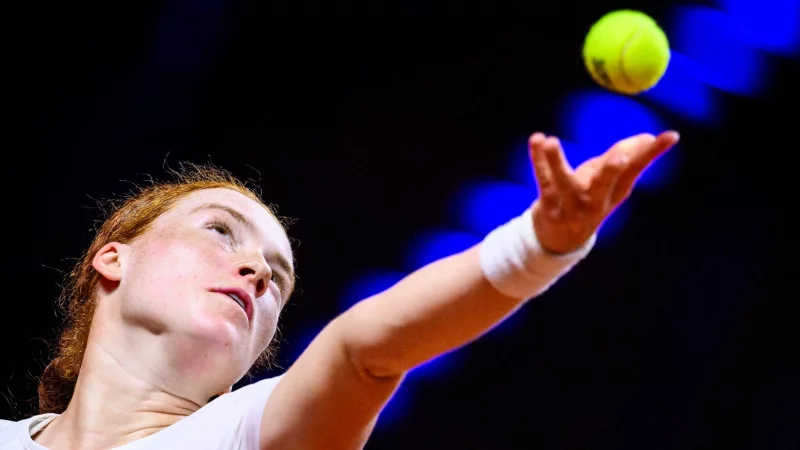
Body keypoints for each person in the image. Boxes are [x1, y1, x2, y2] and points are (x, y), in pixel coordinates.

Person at [0, 130, 679, 450]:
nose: (258, 272)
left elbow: (364, 350)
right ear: (113, 259)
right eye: (221, 231)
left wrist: (540, 245)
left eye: (278, 278)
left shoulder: (245, 436)